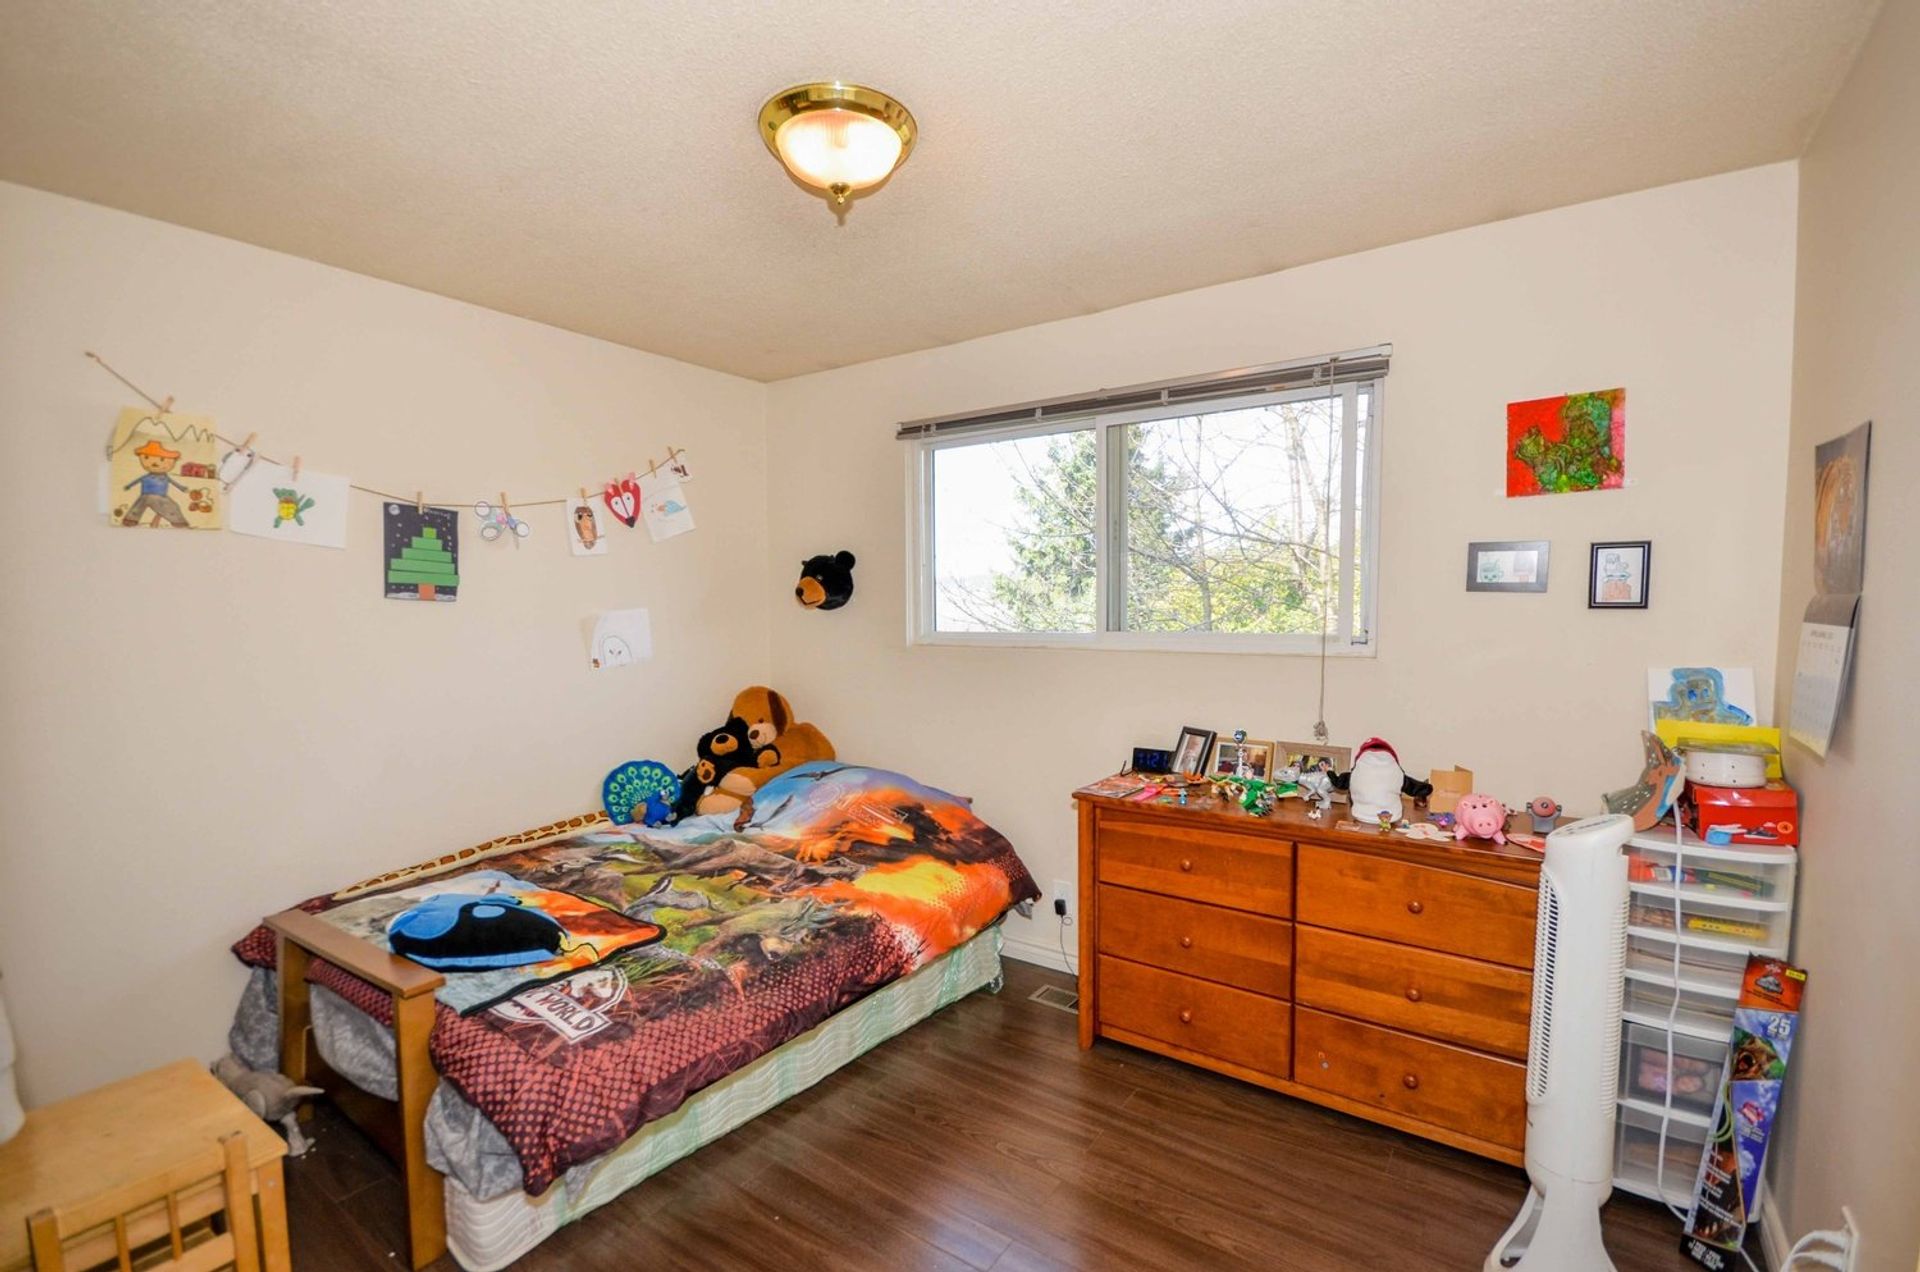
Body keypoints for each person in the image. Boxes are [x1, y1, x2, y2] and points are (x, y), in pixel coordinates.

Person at [121, 438, 191, 527]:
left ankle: (178, 521)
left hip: (160, 497)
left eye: (162, 459)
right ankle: (130, 520)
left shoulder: (165, 477)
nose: (154, 463)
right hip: (146, 496)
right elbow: (137, 481)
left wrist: (182, 488)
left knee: (172, 506)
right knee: (138, 507)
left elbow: (174, 483)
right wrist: (129, 486)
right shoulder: (146, 477)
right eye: (146, 457)